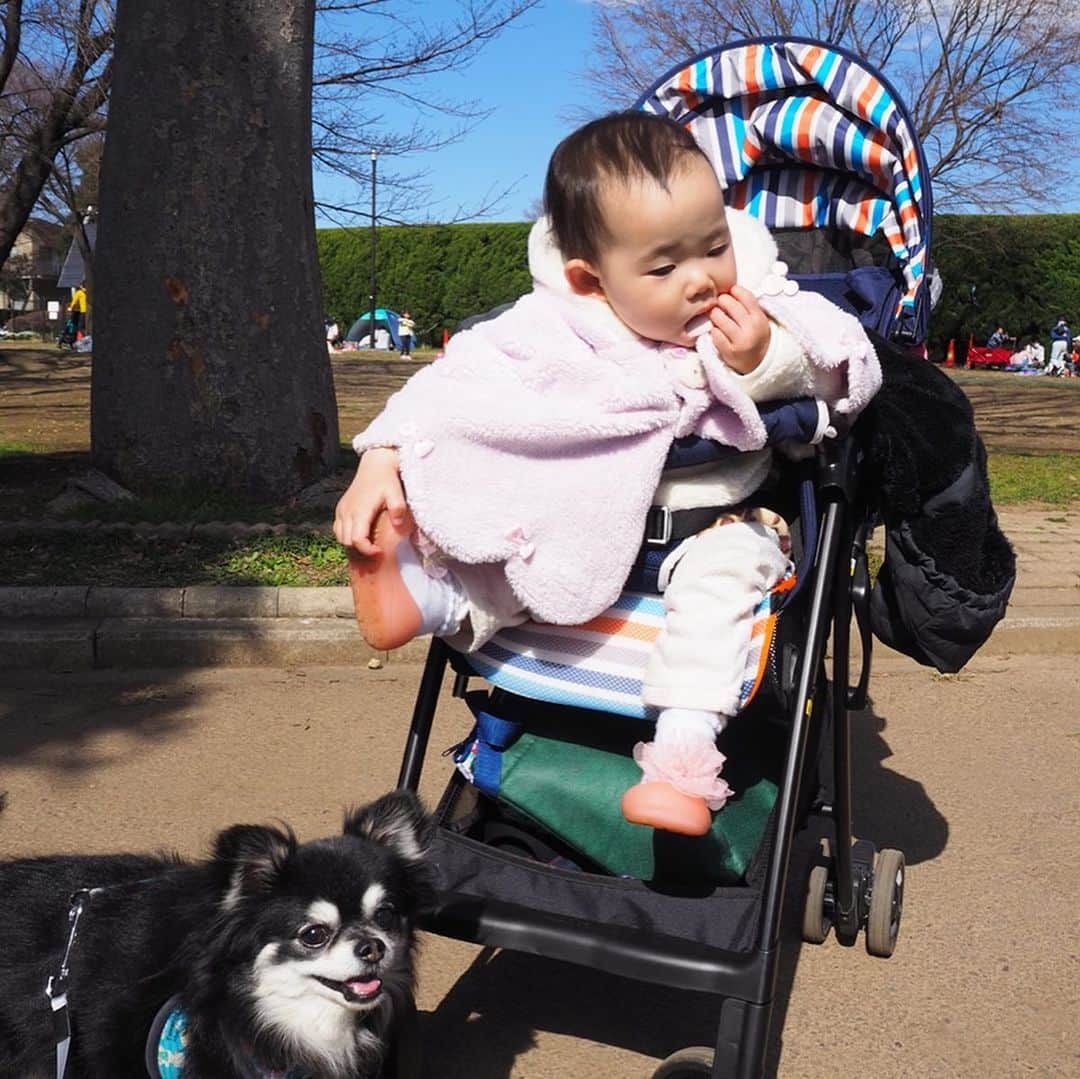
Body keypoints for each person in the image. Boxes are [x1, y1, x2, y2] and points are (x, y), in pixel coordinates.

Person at [334, 112, 879, 836]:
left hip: (715, 519)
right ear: (591, 279)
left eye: (713, 245)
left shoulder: (757, 299)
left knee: (722, 588)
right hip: (586, 514)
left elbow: (841, 361)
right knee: (518, 542)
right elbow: (453, 382)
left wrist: (764, 359)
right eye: (663, 267)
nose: (700, 279)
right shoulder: (553, 323)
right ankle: (432, 599)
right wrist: (382, 458)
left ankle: (682, 758)